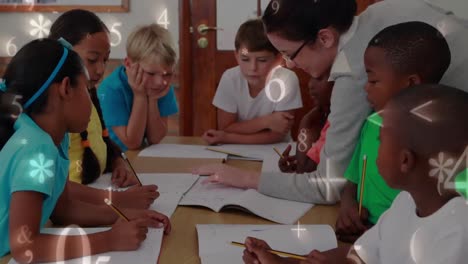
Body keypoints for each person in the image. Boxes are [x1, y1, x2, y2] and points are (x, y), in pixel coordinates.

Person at [194, 0, 468, 204]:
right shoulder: (378, 13)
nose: (290, 65)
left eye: (290, 54)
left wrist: (244, 178)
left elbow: (328, 185)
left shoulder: (356, 71)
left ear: (325, 37)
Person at [242, 84, 468, 264]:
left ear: (405, 160)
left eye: (381, 141)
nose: (376, 147)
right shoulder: (405, 203)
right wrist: (287, 262)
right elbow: (360, 255)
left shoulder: (456, 235)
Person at [0, 39, 170, 262]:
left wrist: (126, 214)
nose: (92, 100)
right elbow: (25, 247)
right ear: (66, 88)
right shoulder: (37, 150)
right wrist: (109, 240)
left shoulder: (52, 140)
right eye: (87, 88)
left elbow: (64, 209)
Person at [336, 21, 451, 242]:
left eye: (373, 80)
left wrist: (381, 239)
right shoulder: (372, 122)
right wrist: (347, 204)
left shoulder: (440, 144)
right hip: (359, 234)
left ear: (411, 83)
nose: (366, 87)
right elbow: (354, 178)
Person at [49, 9, 159, 209]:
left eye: (105, 59)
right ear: (63, 54)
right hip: (73, 205)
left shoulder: (88, 93)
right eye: (92, 60)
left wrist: (117, 162)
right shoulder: (50, 109)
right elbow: (53, 186)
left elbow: (101, 140)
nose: (101, 69)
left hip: (95, 191)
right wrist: (118, 200)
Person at [202, 18, 302, 145]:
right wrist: (267, 121)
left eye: (262, 60)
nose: (252, 68)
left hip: (276, 148)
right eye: (245, 59)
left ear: (278, 60)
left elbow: (277, 134)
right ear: (236, 56)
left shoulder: (287, 80)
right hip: (234, 147)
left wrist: (227, 137)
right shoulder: (230, 78)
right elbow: (226, 127)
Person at [98, 24, 179, 151]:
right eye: (151, 73)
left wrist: (153, 100)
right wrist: (140, 96)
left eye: (168, 74)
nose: (159, 82)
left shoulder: (160, 85)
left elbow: (155, 138)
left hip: (140, 157)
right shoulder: (111, 89)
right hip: (113, 158)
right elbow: (132, 142)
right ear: (129, 64)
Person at [278, 77, 333, 174]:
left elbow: (303, 172)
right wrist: (297, 161)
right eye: (311, 78)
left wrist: (305, 123)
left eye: (319, 78)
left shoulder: (334, 123)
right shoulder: (323, 116)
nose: (310, 85)